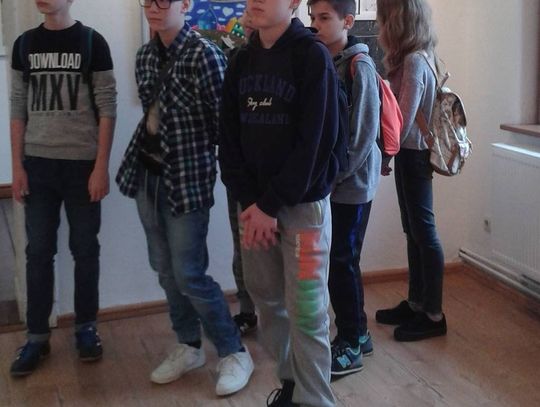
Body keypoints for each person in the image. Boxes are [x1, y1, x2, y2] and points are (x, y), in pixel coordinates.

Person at [116, 0, 253, 396]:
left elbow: (223, 126)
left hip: (188, 179)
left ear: (186, 4)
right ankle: (189, 344)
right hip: (147, 176)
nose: (154, 7)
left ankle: (233, 350)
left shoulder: (204, 55)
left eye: (164, 0)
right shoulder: (145, 56)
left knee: (189, 273)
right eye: (148, 1)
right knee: (164, 269)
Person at [219, 0, 339, 404]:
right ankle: (291, 383)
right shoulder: (240, 61)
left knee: (306, 307)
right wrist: (254, 203)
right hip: (253, 210)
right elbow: (228, 142)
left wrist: (272, 204)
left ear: (293, 3)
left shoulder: (312, 57)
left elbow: (315, 145)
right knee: (266, 296)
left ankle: (315, 399)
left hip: (302, 209)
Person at [8, 0, 117, 377]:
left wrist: (101, 166)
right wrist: (17, 166)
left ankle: (86, 327)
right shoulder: (24, 44)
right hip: (37, 165)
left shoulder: (92, 42)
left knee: (85, 249)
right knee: (38, 251)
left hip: (82, 166)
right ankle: (36, 337)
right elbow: (17, 107)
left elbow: (107, 107)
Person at [308, 0, 380, 376]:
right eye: (312, 17)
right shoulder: (326, 62)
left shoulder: (359, 66)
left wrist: (333, 177)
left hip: (352, 186)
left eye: (324, 18)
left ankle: (351, 342)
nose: (315, 24)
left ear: (347, 21)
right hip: (334, 184)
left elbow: (363, 136)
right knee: (341, 261)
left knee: (342, 261)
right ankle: (359, 334)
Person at [374, 0, 447, 342]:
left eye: (384, 17)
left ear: (397, 19)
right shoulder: (418, 55)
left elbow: (401, 120)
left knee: (423, 232)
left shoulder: (416, 60)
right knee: (414, 230)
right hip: (409, 154)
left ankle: (433, 314)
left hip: (415, 155)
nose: (380, 25)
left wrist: (384, 154)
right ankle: (417, 303)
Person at [225, 9, 259, 336]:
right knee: (241, 245)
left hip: (272, 181)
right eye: (245, 11)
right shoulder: (235, 61)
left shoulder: (297, 58)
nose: (248, 20)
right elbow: (227, 124)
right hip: (239, 177)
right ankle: (248, 310)